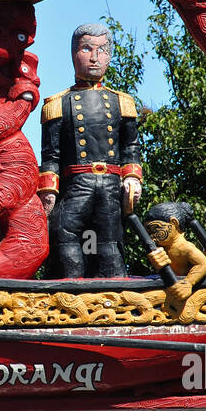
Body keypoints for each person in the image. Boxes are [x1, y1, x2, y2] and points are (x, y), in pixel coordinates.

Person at [38, 23, 141, 277]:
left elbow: (130, 147)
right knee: (64, 232)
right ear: (74, 53)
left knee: (110, 240)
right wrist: (49, 191)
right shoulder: (58, 103)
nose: (94, 57)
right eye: (86, 49)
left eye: (102, 50)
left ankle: (114, 290)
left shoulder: (121, 102)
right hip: (76, 183)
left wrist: (132, 177)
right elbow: (50, 155)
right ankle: (70, 288)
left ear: (110, 55)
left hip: (110, 183)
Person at [141, 202, 206, 306]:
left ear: (174, 223)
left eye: (155, 229)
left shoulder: (186, 247)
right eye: (149, 233)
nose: (152, 236)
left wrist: (188, 282)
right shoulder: (163, 248)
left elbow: (203, 264)